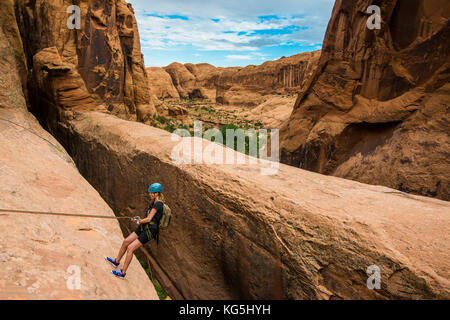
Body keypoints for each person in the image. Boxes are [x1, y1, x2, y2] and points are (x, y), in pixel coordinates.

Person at [105, 183, 164, 279]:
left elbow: (149, 219)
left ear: (157, 193)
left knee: (130, 248)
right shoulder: (153, 203)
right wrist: (139, 219)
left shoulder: (158, 204)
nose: (150, 194)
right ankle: (116, 262)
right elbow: (150, 219)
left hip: (150, 230)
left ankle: (122, 273)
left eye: (151, 193)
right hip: (144, 226)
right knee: (126, 241)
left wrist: (139, 221)